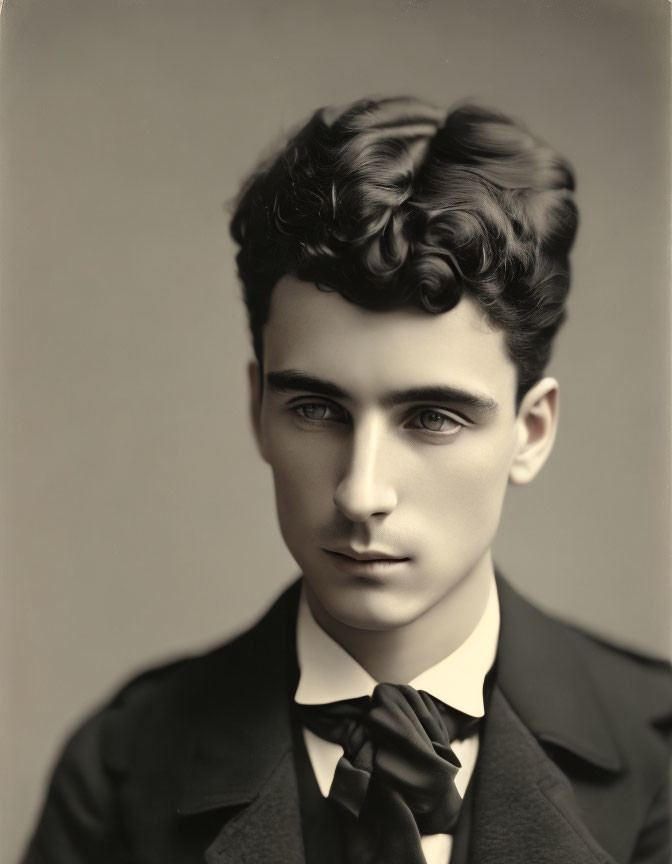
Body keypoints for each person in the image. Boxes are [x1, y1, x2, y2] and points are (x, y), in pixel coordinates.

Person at [21, 97, 672, 864]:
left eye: (431, 417)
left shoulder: (659, 753)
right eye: (317, 408)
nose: (362, 494)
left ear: (530, 433)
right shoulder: (121, 769)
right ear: (258, 408)